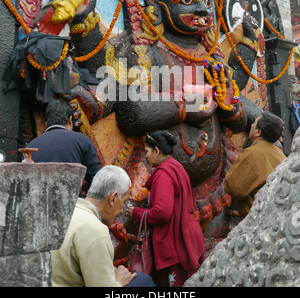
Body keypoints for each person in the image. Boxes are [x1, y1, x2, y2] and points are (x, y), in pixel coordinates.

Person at [51, 165, 156, 287]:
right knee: (143, 281)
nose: (122, 210)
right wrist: (118, 281)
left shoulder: (62, 213)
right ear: (113, 198)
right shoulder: (95, 230)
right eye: (123, 202)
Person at [126, 130, 206, 287]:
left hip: (174, 242)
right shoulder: (176, 167)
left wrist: (136, 213)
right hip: (186, 235)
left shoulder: (163, 175)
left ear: (156, 150)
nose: (146, 156)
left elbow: (162, 212)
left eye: (147, 151)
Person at [27, 99, 100, 195]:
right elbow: (96, 182)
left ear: (46, 124)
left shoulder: (31, 146)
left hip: (40, 207)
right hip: (74, 207)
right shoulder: (82, 141)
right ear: (70, 120)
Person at [225, 111, 286, 218]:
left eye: (254, 123)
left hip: (256, 219)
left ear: (258, 132)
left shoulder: (252, 153)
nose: (251, 125)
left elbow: (234, 188)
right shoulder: (280, 154)